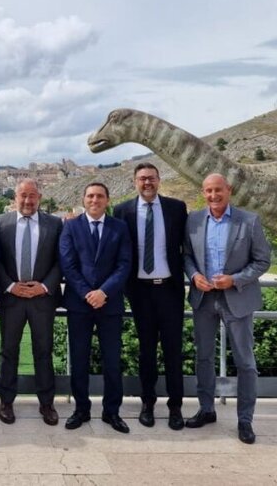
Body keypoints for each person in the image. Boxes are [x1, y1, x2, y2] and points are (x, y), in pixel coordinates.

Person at [183, 173, 271, 445]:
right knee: (204, 358)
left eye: (218, 190)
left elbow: (263, 261)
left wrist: (235, 280)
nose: (213, 195)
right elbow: (186, 255)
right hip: (204, 299)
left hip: (237, 298)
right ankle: (206, 409)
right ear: (203, 193)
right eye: (208, 191)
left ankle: (245, 420)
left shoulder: (249, 221)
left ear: (228, 190)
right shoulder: (194, 220)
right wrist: (194, 275)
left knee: (245, 362)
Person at [114, 163, 188, 430]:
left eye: (152, 178)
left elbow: (185, 248)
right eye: (142, 178)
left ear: (159, 180)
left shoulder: (176, 208)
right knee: (146, 351)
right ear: (135, 181)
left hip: (169, 289)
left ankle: (176, 408)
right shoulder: (123, 210)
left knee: (172, 351)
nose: (147, 183)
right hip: (139, 291)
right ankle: (147, 404)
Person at [58, 182, 132, 433]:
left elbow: (124, 264)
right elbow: (68, 265)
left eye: (100, 196)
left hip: (109, 304)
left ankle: (112, 412)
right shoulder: (71, 226)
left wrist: (104, 292)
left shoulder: (119, 227)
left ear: (107, 200)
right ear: (83, 199)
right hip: (80, 304)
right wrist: (88, 293)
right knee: (79, 359)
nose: (95, 200)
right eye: (90, 195)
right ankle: (81, 409)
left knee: (112, 361)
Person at [0, 179, 63, 426]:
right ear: (15, 197)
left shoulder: (54, 224)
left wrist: (43, 287)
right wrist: (11, 286)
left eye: (32, 196)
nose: (27, 201)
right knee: (8, 351)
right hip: (11, 298)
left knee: (43, 352)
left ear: (40, 197)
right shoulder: (0, 223)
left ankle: (47, 404)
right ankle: (6, 403)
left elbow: (60, 261)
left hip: (42, 299)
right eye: (23, 195)